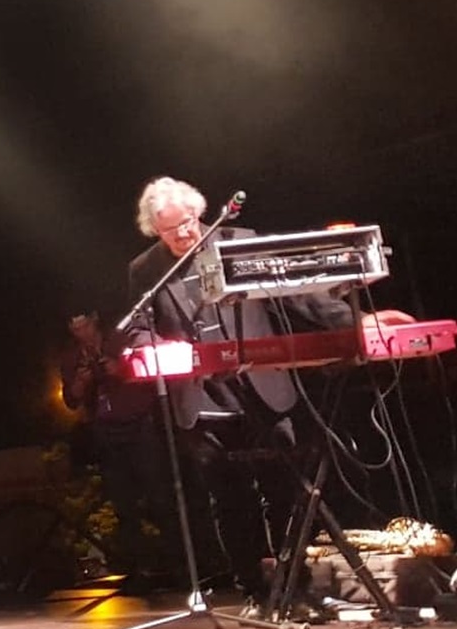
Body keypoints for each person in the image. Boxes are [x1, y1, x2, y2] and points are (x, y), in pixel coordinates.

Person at [127, 176, 362, 605]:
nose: (182, 234)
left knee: (288, 488)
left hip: (263, 387)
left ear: (200, 213)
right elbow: (138, 328)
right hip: (203, 401)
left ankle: (293, 584)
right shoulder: (145, 269)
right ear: (154, 230)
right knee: (231, 498)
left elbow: (295, 296)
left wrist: (355, 324)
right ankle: (254, 586)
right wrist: (156, 346)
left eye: (188, 222)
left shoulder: (239, 242)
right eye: (169, 229)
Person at [60, 311, 174, 578]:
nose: (82, 334)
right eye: (76, 330)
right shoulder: (71, 358)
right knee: (123, 503)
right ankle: (138, 569)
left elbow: (152, 373)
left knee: (159, 496)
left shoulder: (122, 341)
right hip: (105, 431)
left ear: (95, 320)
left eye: (85, 326)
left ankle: (175, 562)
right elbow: (71, 400)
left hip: (139, 424)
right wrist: (81, 381)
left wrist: (120, 369)